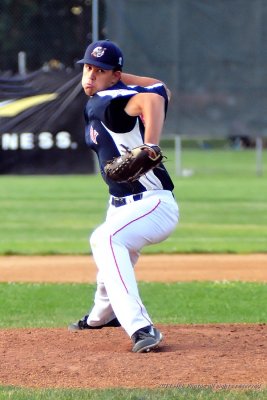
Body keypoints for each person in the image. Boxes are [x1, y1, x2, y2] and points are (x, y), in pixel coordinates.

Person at [68, 39, 179, 353]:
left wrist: (150, 145)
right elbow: (160, 88)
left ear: (114, 77)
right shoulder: (106, 93)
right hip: (120, 204)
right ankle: (99, 318)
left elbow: (152, 101)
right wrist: (113, 72)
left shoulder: (107, 100)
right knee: (110, 268)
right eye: (88, 67)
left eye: (99, 70)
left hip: (153, 203)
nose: (90, 75)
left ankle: (140, 327)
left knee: (104, 240)